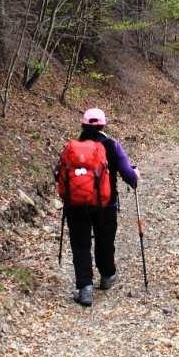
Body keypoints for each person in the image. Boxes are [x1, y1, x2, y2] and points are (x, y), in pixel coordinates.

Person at [55, 107, 139, 307]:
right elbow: (129, 175)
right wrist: (135, 176)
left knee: (80, 245)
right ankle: (107, 276)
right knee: (105, 239)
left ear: (83, 125)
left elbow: (58, 174)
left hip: (75, 205)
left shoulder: (72, 148)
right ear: (103, 125)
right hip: (105, 205)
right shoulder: (112, 145)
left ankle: (85, 289)